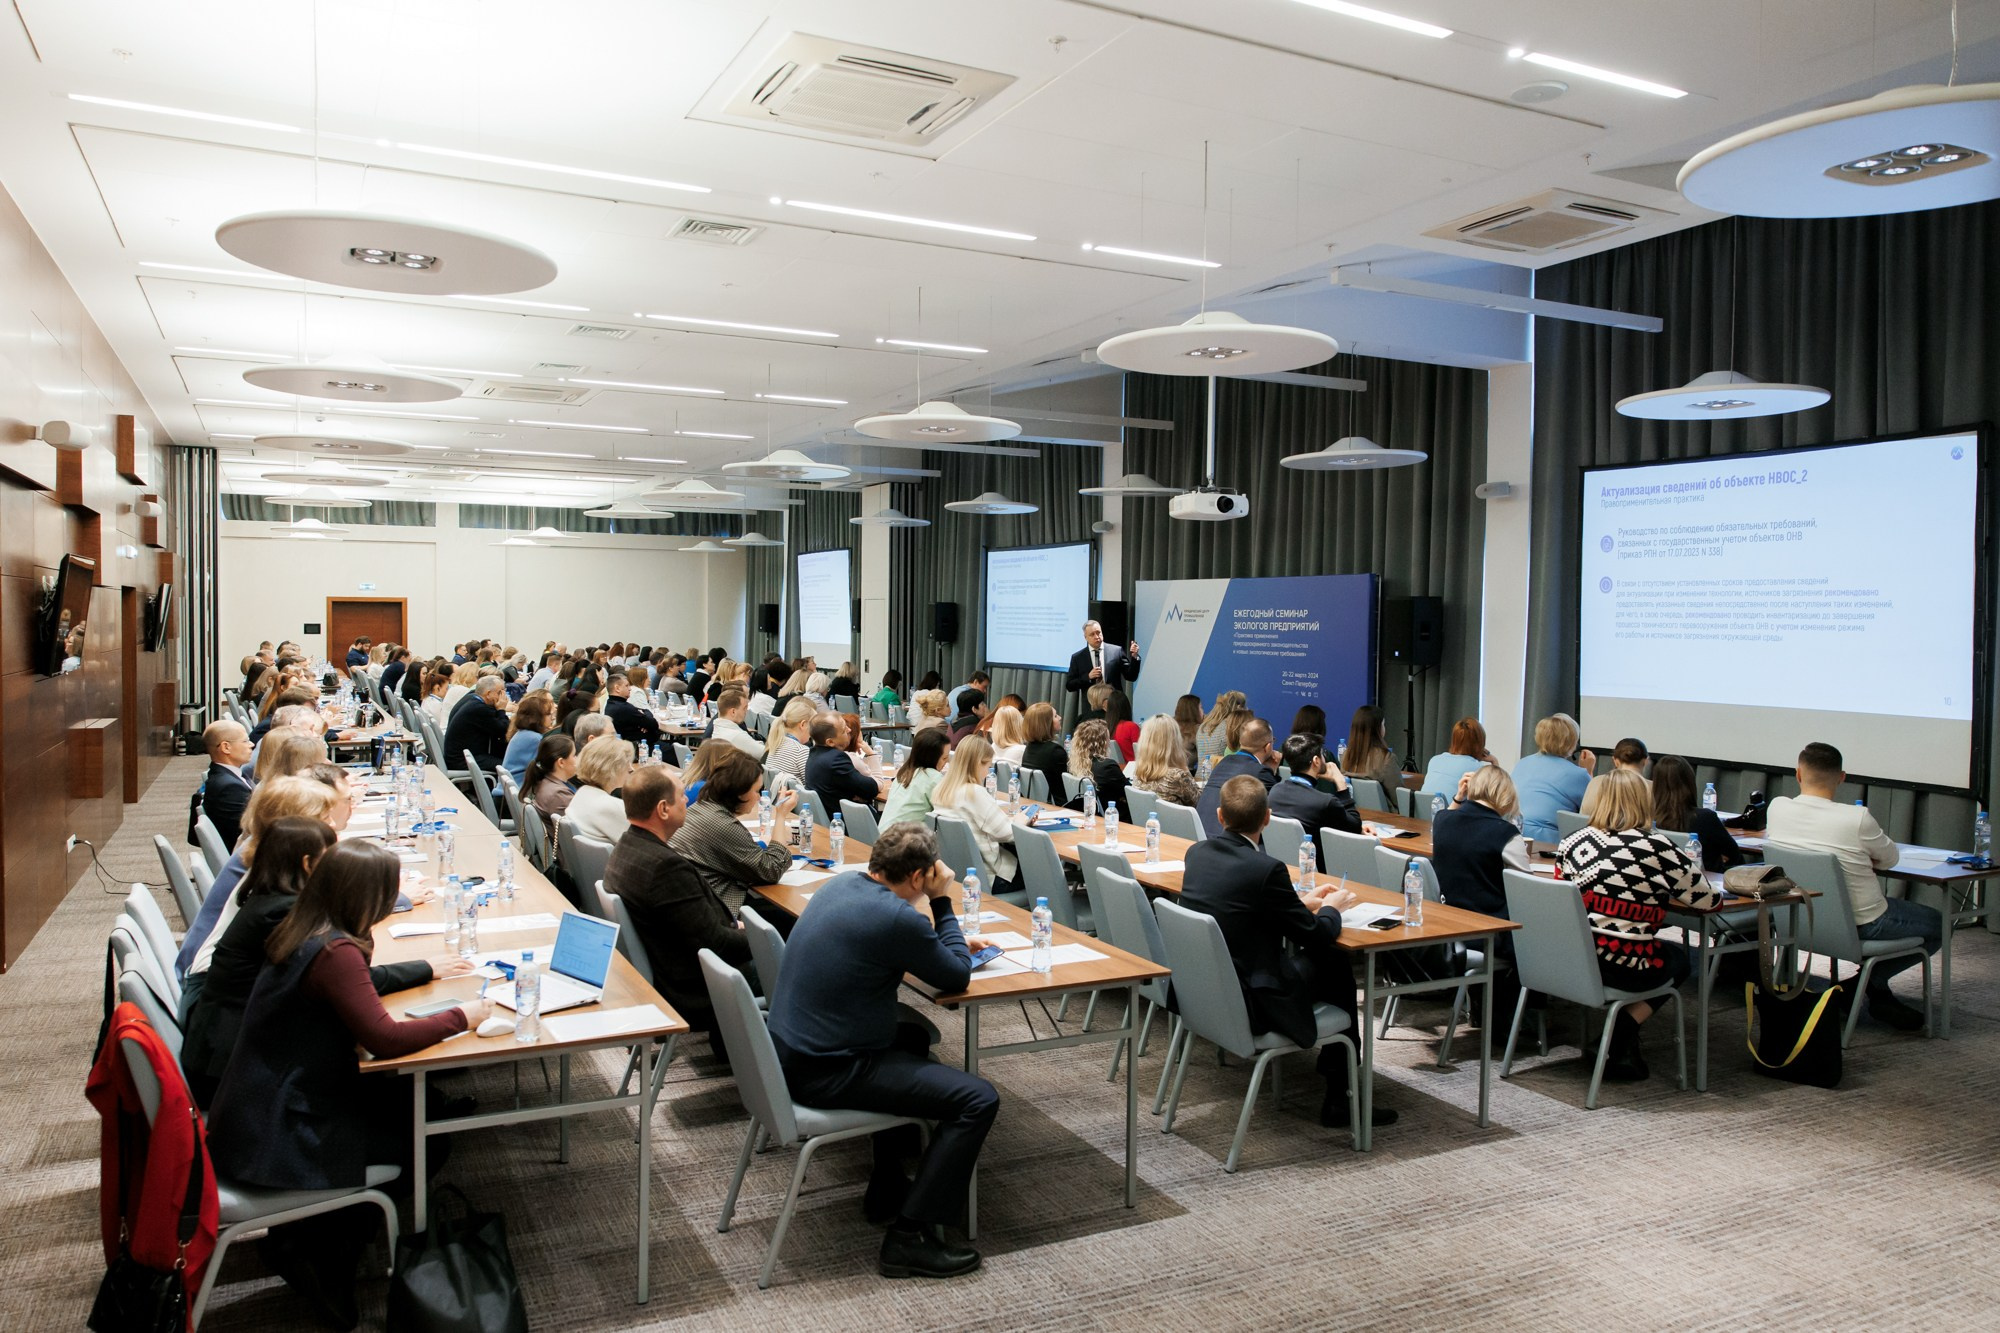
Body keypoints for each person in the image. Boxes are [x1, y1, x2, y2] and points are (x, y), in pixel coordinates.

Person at [206, 841, 487, 1327]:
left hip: (255, 1106)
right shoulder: (335, 951)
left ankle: (315, 1238)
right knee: (425, 1141)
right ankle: (322, 1252)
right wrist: (463, 1015)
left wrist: (424, 969)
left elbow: (359, 985)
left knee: (418, 1105)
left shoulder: (305, 927)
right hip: (282, 1128)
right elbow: (385, 1037)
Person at [765, 823, 998, 1279]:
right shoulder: (898, 917)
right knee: (978, 1099)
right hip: (829, 1071)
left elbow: (912, 944)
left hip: (791, 1051)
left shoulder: (840, 885)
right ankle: (908, 1238)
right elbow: (954, 976)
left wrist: (936, 938)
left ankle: (888, 1183)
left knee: (909, 1038)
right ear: (918, 878)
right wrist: (943, 903)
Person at [182, 817, 457, 1107]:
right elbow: (346, 982)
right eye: (331, 858)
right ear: (307, 864)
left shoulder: (273, 896)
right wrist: (425, 969)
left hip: (234, 1046)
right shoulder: (285, 914)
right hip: (235, 1071)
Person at [1179, 775, 1390, 1129]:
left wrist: (1298, 904)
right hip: (1254, 1001)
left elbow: (1243, 908)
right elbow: (1318, 935)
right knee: (1334, 962)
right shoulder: (1266, 869)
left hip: (1210, 993)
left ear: (1219, 816)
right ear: (1267, 818)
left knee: (1324, 961)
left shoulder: (1197, 854)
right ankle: (1341, 1092)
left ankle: (1337, 1078)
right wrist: (1332, 908)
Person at [1764, 741, 1940, 1031]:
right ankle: (1866, 986)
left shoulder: (1778, 808)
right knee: (1939, 923)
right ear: (1842, 777)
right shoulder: (1856, 818)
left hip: (1797, 920)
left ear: (1797, 774)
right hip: (1863, 923)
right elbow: (1890, 859)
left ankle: (1868, 991)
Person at [1557, 769, 1715, 1080]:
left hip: (1574, 958)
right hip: (1624, 964)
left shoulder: (1572, 842)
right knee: (1681, 961)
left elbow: (1563, 897)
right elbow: (1709, 902)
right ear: (1645, 803)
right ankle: (1623, 1028)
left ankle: (1618, 1034)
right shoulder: (1658, 846)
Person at [604, 764, 755, 1064]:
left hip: (670, 966)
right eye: (682, 795)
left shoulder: (627, 846)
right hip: (693, 985)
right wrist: (762, 941)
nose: (688, 800)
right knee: (801, 962)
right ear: (663, 809)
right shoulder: (664, 867)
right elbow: (715, 944)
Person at [175, 773, 347, 996]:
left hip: (225, 984)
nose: (333, 824)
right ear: (296, 825)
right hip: (218, 995)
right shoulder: (273, 883)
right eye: (326, 818)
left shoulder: (269, 856)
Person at [670, 746, 797, 915]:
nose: (759, 797)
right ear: (739, 792)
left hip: (696, 902)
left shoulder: (701, 808)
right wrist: (781, 815)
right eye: (756, 791)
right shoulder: (721, 824)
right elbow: (772, 869)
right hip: (715, 911)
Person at [931, 735, 1025, 896]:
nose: (988, 773)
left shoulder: (941, 790)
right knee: (1046, 868)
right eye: (988, 766)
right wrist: (1022, 820)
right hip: (992, 877)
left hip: (959, 873)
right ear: (977, 764)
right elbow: (1007, 833)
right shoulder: (974, 793)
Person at [1269, 733, 1363, 864]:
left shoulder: (1275, 792)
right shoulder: (1324, 802)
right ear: (1316, 761)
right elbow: (1355, 828)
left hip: (1285, 867)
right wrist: (1340, 783)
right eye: (1322, 755)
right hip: (1319, 871)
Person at [1650, 754, 1743, 871]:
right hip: (1706, 883)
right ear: (1689, 783)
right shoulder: (1705, 818)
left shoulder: (1647, 818)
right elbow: (1735, 856)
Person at [1513, 714, 1595, 843]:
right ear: (1571, 741)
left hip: (1514, 834)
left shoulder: (1522, 763)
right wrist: (1588, 771)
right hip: (1549, 842)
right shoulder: (1578, 774)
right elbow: (1594, 811)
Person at [1195, 717, 1280, 838]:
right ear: (1267, 747)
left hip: (1199, 836)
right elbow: (1277, 808)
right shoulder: (1261, 772)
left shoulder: (1222, 763)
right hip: (1226, 842)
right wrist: (1273, 769)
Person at [805, 714, 886, 819]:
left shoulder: (813, 753)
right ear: (830, 742)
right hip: (848, 824)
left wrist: (858, 793)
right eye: (843, 730)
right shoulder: (836, 759)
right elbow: (872, 788)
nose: (849, 730)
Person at [565, 734, 636, 844]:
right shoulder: (613, 807)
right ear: (612, 769)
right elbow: (641, 846)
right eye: (627, 764)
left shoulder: (580, 795)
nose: (631, 769)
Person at [198, 719, 255, 851]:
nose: (251, 744)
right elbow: (248, 831)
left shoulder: (227, 776)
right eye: (245, 741)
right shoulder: (230, 788)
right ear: (226, 747)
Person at [1064, 620, 1141, 716]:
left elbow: (1131, 676)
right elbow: (1070, 685)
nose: (1097, 637)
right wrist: (1087, 677)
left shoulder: (1116, 651)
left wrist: (1134, 657)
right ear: (1085, 637)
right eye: (1092, 634)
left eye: (1098, 632)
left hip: (1114, 706)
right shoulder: (1078, 657)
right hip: (1091, 708)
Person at [1128, 715, 1201, 809]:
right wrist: (1185, 768)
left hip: (1145, 823)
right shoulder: (1177, 776)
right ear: (1174, 742)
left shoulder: (1138, 774)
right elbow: (1201, 803)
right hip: (1175, 823)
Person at [881, 729, 950, 830]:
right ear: (931, 757)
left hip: (883, 837)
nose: (947, 762)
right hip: (905, 841)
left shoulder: (904, 773)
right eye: (944, 758)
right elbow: (948, 814)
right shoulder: (934, 778)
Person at [443, 674, 510, 773]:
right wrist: (501, 709)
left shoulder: (470, 698)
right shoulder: (479, 709)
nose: (503, 697)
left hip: (459, 754)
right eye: (500, 693)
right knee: (510, 765)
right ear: (488, 694)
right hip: (462, 760)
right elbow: (503, 729)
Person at [1579, 737, 1651, 821]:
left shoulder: (1596, 782)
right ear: (1645, 761)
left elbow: (1584, 817)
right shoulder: (1653, 788)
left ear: (1615, 761)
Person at [1066, 719, 1127, 814]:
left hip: (1088, 812)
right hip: (1114, 815)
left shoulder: (1075, 764)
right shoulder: (1108, 766)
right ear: (1102, 742)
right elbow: (1127, 793)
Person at [1422, 717, 1492, 798]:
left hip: (1425, 809)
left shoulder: (1434, 760)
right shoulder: (1478, 769)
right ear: (1478, 744)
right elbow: (1494, 799)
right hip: (1450, 810)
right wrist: (1494, 761)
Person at [1017, 701, 1069, 808]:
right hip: (1056, 807)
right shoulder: (1055, 751)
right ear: (1046, 723)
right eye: (1055, 716)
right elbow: (1065, 787)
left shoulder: (1029, 748)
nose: (1060, 717)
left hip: (1035, 804)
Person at [1342, 705, 1401, 794]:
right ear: (1377, 729)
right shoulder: (1386, 759)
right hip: (1383, 808)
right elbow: (1399, 797)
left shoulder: (1346, 756)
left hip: (1353, 807)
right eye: (1383, 724)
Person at [501, 691, 553, 785]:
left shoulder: (522, 734)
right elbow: (548, 769)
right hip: (518, 791)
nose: (552, 718)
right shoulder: (534, 739)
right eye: (548, 714)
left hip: (508, 790)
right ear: (537, 717)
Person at [605, 668, 663, 752]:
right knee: (674, 751)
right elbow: (653, 723)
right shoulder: (624, 708)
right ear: (617, 688)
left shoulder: (611, 704)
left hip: (636, 745)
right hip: (642, 749)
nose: (630, 689)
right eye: (626, 686)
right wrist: (646, 714)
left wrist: (644, 718)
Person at [525, 732, 579, 818]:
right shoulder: (559, 795)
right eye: (574, 755)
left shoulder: (544, 782)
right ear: (561, 762)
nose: (577, 758)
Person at [764, 697, 817, 780]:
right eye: (812, 726)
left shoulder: (775, 743)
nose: (813, 731)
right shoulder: (801, 751)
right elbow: (812, 787)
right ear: (803, 725)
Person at [1194, 691, 1248, 770]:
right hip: (1220, 777)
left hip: (1199, 777)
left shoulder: (1203, 726)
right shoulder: (1232, 727)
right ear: (1240, 707)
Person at [707, 686, 764, 759]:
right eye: (744, 708)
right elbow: (764, 754)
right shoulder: (736, 735)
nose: (746, 711)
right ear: (733, 712)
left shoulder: (717, 728)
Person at [1106, 690, 1139, 764]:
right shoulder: (1131, 727)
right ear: (1127, 707)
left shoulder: (1105, 728)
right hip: (1133, 770)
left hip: (1115, 770)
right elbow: (1141, 752)